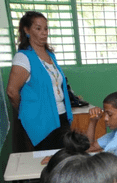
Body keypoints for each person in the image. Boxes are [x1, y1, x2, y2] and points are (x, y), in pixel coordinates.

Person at [6, 11, 73, 151]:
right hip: (40, 120)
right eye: (38, 28)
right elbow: (12, 92)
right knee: (44, 161)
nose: (44, 33)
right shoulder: (23, 57)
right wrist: (26, 111)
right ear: (27, 30)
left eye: (46, 28)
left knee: (62, 158)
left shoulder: (50, 55)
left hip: (60, 116)